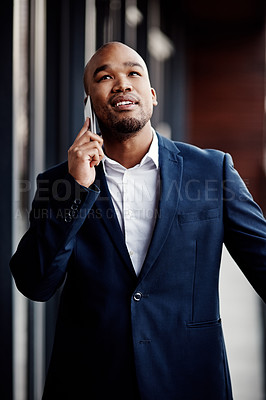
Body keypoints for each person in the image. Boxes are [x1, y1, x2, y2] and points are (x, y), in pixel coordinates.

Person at [10, 41, 266, 400]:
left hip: (189, 379)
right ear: (88, 102)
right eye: (105, 77)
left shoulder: (212, 171)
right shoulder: (59, 182)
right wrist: (76, 187)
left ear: (152, 94)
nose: (122, 83)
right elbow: (35, 283)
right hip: (90, 382)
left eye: (133, 73)